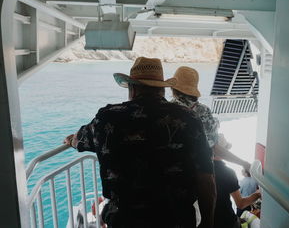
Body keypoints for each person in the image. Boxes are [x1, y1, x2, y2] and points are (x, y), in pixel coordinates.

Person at [64, 57, 216, 228]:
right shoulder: (188, 118)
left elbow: (80, 140)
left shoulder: (107, 118)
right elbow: (206, 178)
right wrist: (208, 222)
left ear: (132, 88)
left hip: (125, 219)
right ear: (162, 89)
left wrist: (71, 140)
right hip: (176, 219)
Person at [171, 66, 251, 171]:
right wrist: (243, 163)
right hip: (199, 171)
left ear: (173, 88)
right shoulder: (204, 111)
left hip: (172, 170)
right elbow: (214, 147)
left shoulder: (167, 109)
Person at [213, 136, 261, 228]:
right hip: (227, 221)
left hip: (210, 221)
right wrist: (258, 194)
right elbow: (240, 204)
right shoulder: (228, 172)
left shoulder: (202, 170)